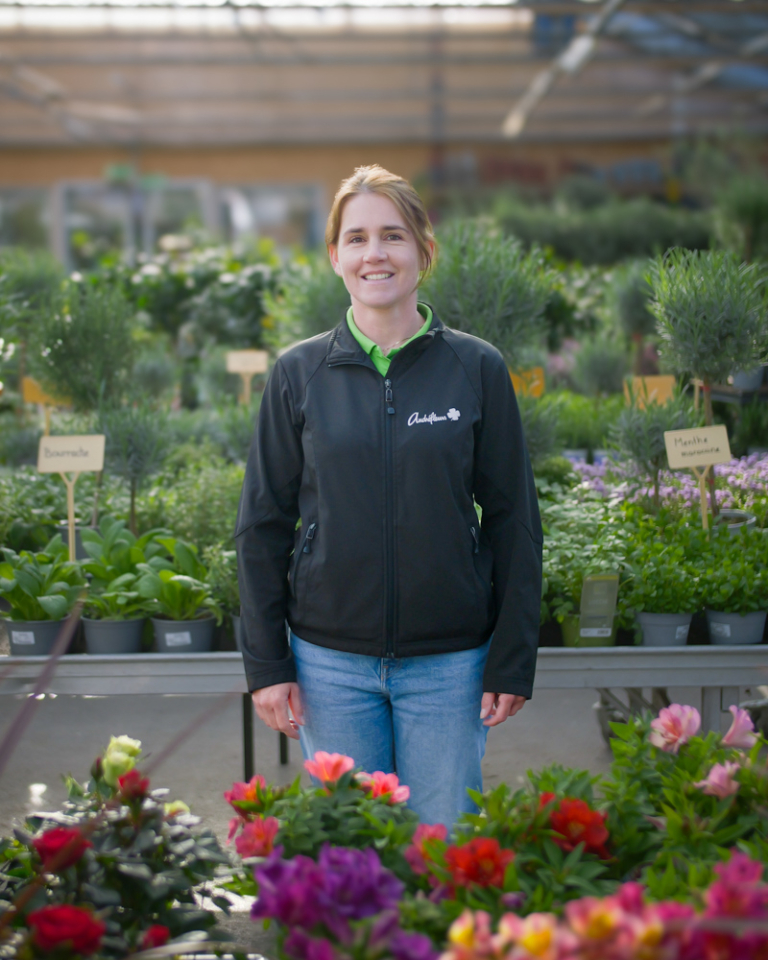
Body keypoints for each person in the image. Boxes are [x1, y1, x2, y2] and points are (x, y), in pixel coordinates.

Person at [235, 164, 542, 828]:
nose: (374, 253)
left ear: (424, 250)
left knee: (442, 846)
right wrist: (266, 664)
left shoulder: (476, 368)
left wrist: (512, 659)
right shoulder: (297, 373)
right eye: (357, 238)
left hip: (450, 666)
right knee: (353, 851)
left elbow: (514, 518)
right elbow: (261, 525)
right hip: (329, 666)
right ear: (335, 256)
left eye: (393, 235)